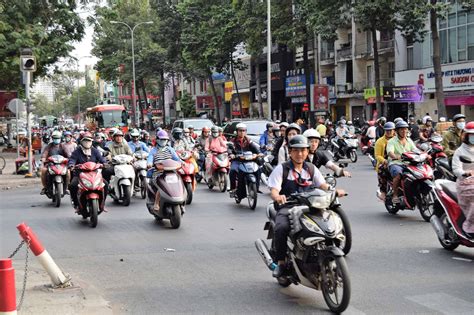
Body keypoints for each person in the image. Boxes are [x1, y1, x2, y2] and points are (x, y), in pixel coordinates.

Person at [268, 135, 346, 277]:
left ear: (307, 151)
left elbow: (322, 185)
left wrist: (333, 191)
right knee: (281, 228)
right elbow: (274, 190)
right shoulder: (282, 169)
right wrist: (278, 196)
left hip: (311, 206)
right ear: (290, 151)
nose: (300, 154)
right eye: (296, 151)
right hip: (288, 207)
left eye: (303, 150)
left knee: (328, 224)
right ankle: (280, 263)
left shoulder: (311, 168)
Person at [68, 132, 107, 211]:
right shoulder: (77, 151)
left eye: (89, 141)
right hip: (80, 174)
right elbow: (72, 160)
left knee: (105, 184)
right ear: (81, 142)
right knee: (73, 185)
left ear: (92, 141)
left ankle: (102, 204)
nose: (87, 142)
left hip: (94, 174)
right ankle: (76, 204)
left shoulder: (95, 151)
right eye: (85, 141)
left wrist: (105, 163)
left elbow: (102, 159)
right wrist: (72, 165)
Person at [147, 130, 181, 212]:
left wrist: (182, 163)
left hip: (171, 172)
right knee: (161, 186)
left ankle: (181, 199)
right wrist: (149, 163)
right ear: (157, 140)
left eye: (165, 140)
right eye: (161, 139)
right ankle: (156, 203)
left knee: (179, 182)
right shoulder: (154, 150)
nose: (163, 141)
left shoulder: (170, 149)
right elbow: (150, 158)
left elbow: (177, 159)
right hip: (159, 173)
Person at [451, 122, 474, 237]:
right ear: (466, 136)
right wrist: (465, 173)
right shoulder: (460, 151)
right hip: (466, 182)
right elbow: (456, 169)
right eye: (471, 135)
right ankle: (469, 227)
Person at [386, 121, 417, 204]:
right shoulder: (392, 141)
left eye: (406, 130)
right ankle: (395, 195)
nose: (404, 132)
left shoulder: (409, 140)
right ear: (397, 131)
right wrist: (395, 156)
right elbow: (390, 152)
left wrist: (424, 154)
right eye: (402, 130)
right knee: (398, 174)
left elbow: (415, 150)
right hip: (396, 163)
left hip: (408, 163)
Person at [228, 123, 261, 198]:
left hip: (249, 160)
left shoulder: (249, 141)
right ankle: (233, 189)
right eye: (240, 130)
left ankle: (257, 188)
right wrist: (231, 154)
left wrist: (259, 153)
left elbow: (255, 148)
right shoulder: (233, 141)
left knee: (258, 169)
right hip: (237, 160)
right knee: (232, 171)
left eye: (244, 130)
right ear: (237, 131)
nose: (242, 132)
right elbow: (229, 148)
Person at [40, 130, 68, 195]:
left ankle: (66, 188)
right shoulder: (49, 146)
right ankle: (45, 188)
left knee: (68, 172)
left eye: (58, 138)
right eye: (55, 138)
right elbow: (45, 153)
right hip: (51, 164)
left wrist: (69, 159)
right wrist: (43, 159)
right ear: (52, 139)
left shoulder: (63, 146)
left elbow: (68, 155)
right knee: (43, 171)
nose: (56, 140)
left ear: (60, 138)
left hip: (62, 164)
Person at [374, 122, 396, 201]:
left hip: (397, 161)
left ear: (394, 130)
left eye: (391, 130)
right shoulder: (380, 141)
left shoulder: (398, 139)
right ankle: (383, 192)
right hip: (385, 163)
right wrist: (385, 161)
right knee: (382, 171)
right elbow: (377, 155)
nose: (389, 132)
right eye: (387, 130)